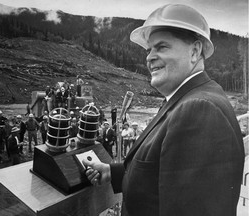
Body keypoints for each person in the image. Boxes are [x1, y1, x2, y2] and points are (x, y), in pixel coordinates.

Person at [83, 4, 245, 216]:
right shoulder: (186, 99)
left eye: (161, 47)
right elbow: (161, 166)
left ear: (194, 52)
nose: (149, 57)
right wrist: (112, 172)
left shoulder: (199, 111)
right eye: (149, 49)